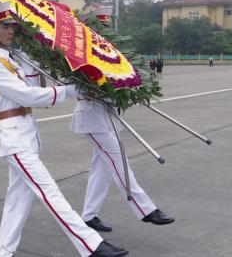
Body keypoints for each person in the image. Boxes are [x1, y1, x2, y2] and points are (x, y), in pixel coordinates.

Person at [0, 2, 128, 257]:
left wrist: (39, 57)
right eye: (5, 26)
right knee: (49, 192)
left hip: (24, 134)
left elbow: (34, 85)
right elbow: (28, 96)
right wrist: (68, 91)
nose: (11, 30)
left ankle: (3, 254)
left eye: (13, 25)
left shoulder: (12, 59)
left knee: (17, 202)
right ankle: (92, 245)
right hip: (13, 137)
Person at [70, 96, 175, 233]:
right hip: (92, 120)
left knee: (102, 169)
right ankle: (145, 209)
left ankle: (89, 216)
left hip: (109, 118)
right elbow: (75, 88)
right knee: (119, 161)